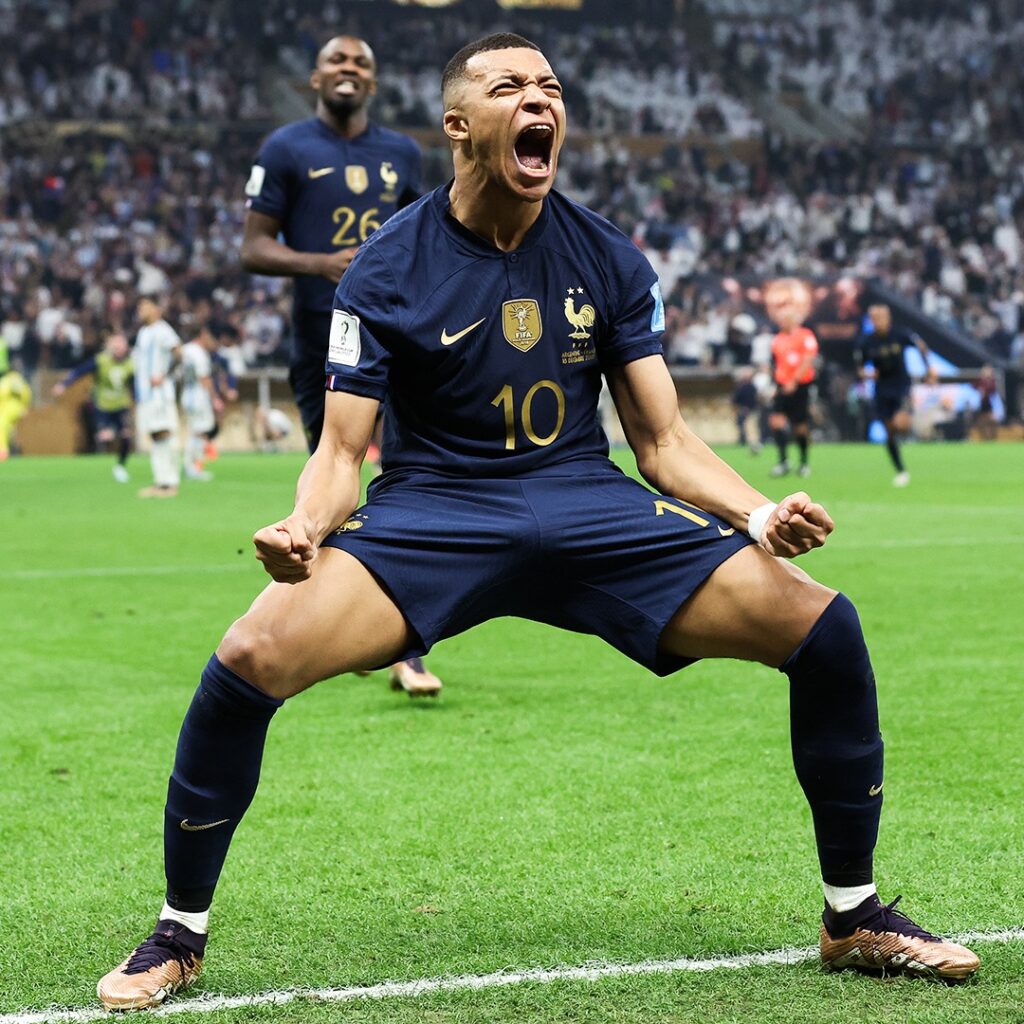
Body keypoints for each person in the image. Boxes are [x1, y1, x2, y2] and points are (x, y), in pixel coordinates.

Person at [97, 34, 978, 1011]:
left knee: (825, 627)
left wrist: (757, 509)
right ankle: (180, 931)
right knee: (250, 654)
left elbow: (663, 439)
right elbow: (343, 454)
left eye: (550, 87)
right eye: (508, 85)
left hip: (587, 501)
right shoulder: (385, 265)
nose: (537, 99)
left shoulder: (606, 254)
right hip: (435, 510)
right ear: (458, 125)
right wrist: (305, 527)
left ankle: (851, 915)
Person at [240, 33, 439, 698]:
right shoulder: (285, 148)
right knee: (330, 492)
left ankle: (404, 648)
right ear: (315, 77)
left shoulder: (401, 153)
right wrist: (318, 264)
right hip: (322, 341)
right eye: (335, 61)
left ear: (373, 83)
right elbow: (253, 247)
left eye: (360, 63)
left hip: (402, 339)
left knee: (409, 486)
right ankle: (345, 630)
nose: (348, 70)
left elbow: (426, 237)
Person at [854, 304, 931, 486]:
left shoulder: (900, 334)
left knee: (900, 424)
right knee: (889, 432)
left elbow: (921, 346)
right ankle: (900, 470)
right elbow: (860, 368)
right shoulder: (866, 341)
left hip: (901, 386)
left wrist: (929, 369)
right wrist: (868, 374)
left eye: (881, 317)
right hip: (881, 389)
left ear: (888, 318)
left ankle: (906, 431)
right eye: (875, 318)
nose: (878, 321)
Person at [52, 332, 134, 482]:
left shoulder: (130, 364)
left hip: (120, 405)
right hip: (103, 406)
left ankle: (120, 466)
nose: (119, 349)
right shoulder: (101, 361)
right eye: (116, 346)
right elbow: (79, 371)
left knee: (126, 437)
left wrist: (139, 399)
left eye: (121, 346)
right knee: (106, 436)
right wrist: (64, 384)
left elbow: (135, 385)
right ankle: (103, 438)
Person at [766, 280, 818, 478]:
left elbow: (807, 360)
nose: (782, 322)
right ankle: (783, 462)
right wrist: (777, 383)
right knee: (777, 422)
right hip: (782, 386)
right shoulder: (778, 339)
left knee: (800, 425)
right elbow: (777, 364)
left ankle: (804, 463)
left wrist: (794, 381)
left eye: (786, 318)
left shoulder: (806, 335)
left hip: (800, 386)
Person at [134, 296, 183, 499]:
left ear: (156, 309)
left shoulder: (163, 330)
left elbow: (179, 353)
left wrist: (165, 375)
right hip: (146, 394)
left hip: (160, 394)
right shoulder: (143, 332)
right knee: (155, 436)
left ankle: (171, 483)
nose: (140, 309)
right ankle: (161, 482)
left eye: (145, 306)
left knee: (164, 434)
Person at [179, 325, 224, 482]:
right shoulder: (199, 353)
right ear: (202, 334)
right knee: (201, 432)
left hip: (186, 394)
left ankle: (189, 465)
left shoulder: (185, 349)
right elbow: (204, 378)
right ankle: (193, 468)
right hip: (198, 396)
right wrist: (215, 399)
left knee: (194, 431)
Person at [0, 340, 32, 460]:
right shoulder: (19, 380)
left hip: (8, 408)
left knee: (1, 425)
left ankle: (3, 451)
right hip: (17, 408)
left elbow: (2, 394)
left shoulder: (7, 380)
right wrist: (25, 408)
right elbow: (27, 394)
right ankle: (12, 448)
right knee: (8, 430)